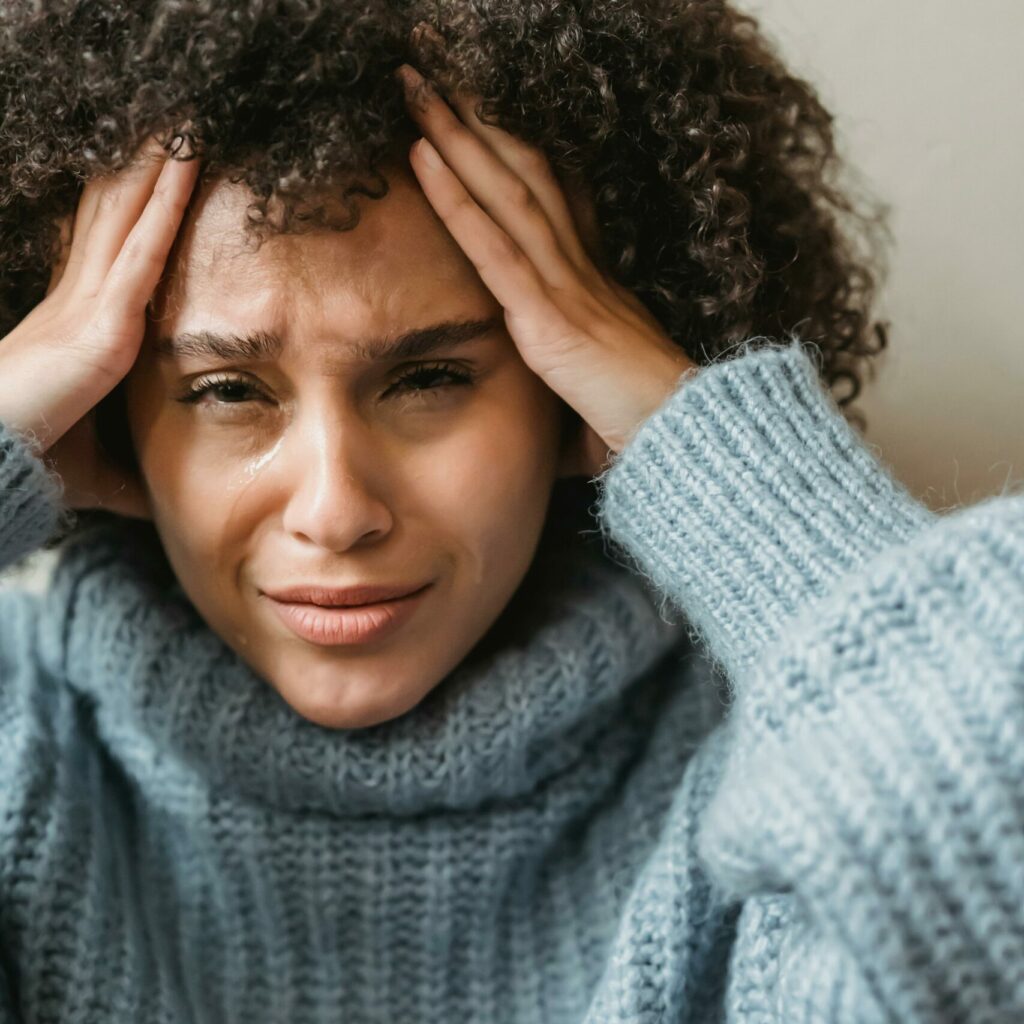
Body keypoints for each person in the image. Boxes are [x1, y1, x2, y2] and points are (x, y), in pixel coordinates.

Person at [1, 2, 1021, 1022]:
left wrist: (727, 472)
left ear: (572, 394)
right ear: (107, 413)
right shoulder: (21, 752)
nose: (336, 509)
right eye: (228, 389)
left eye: (431, 376)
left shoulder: (800, 786)